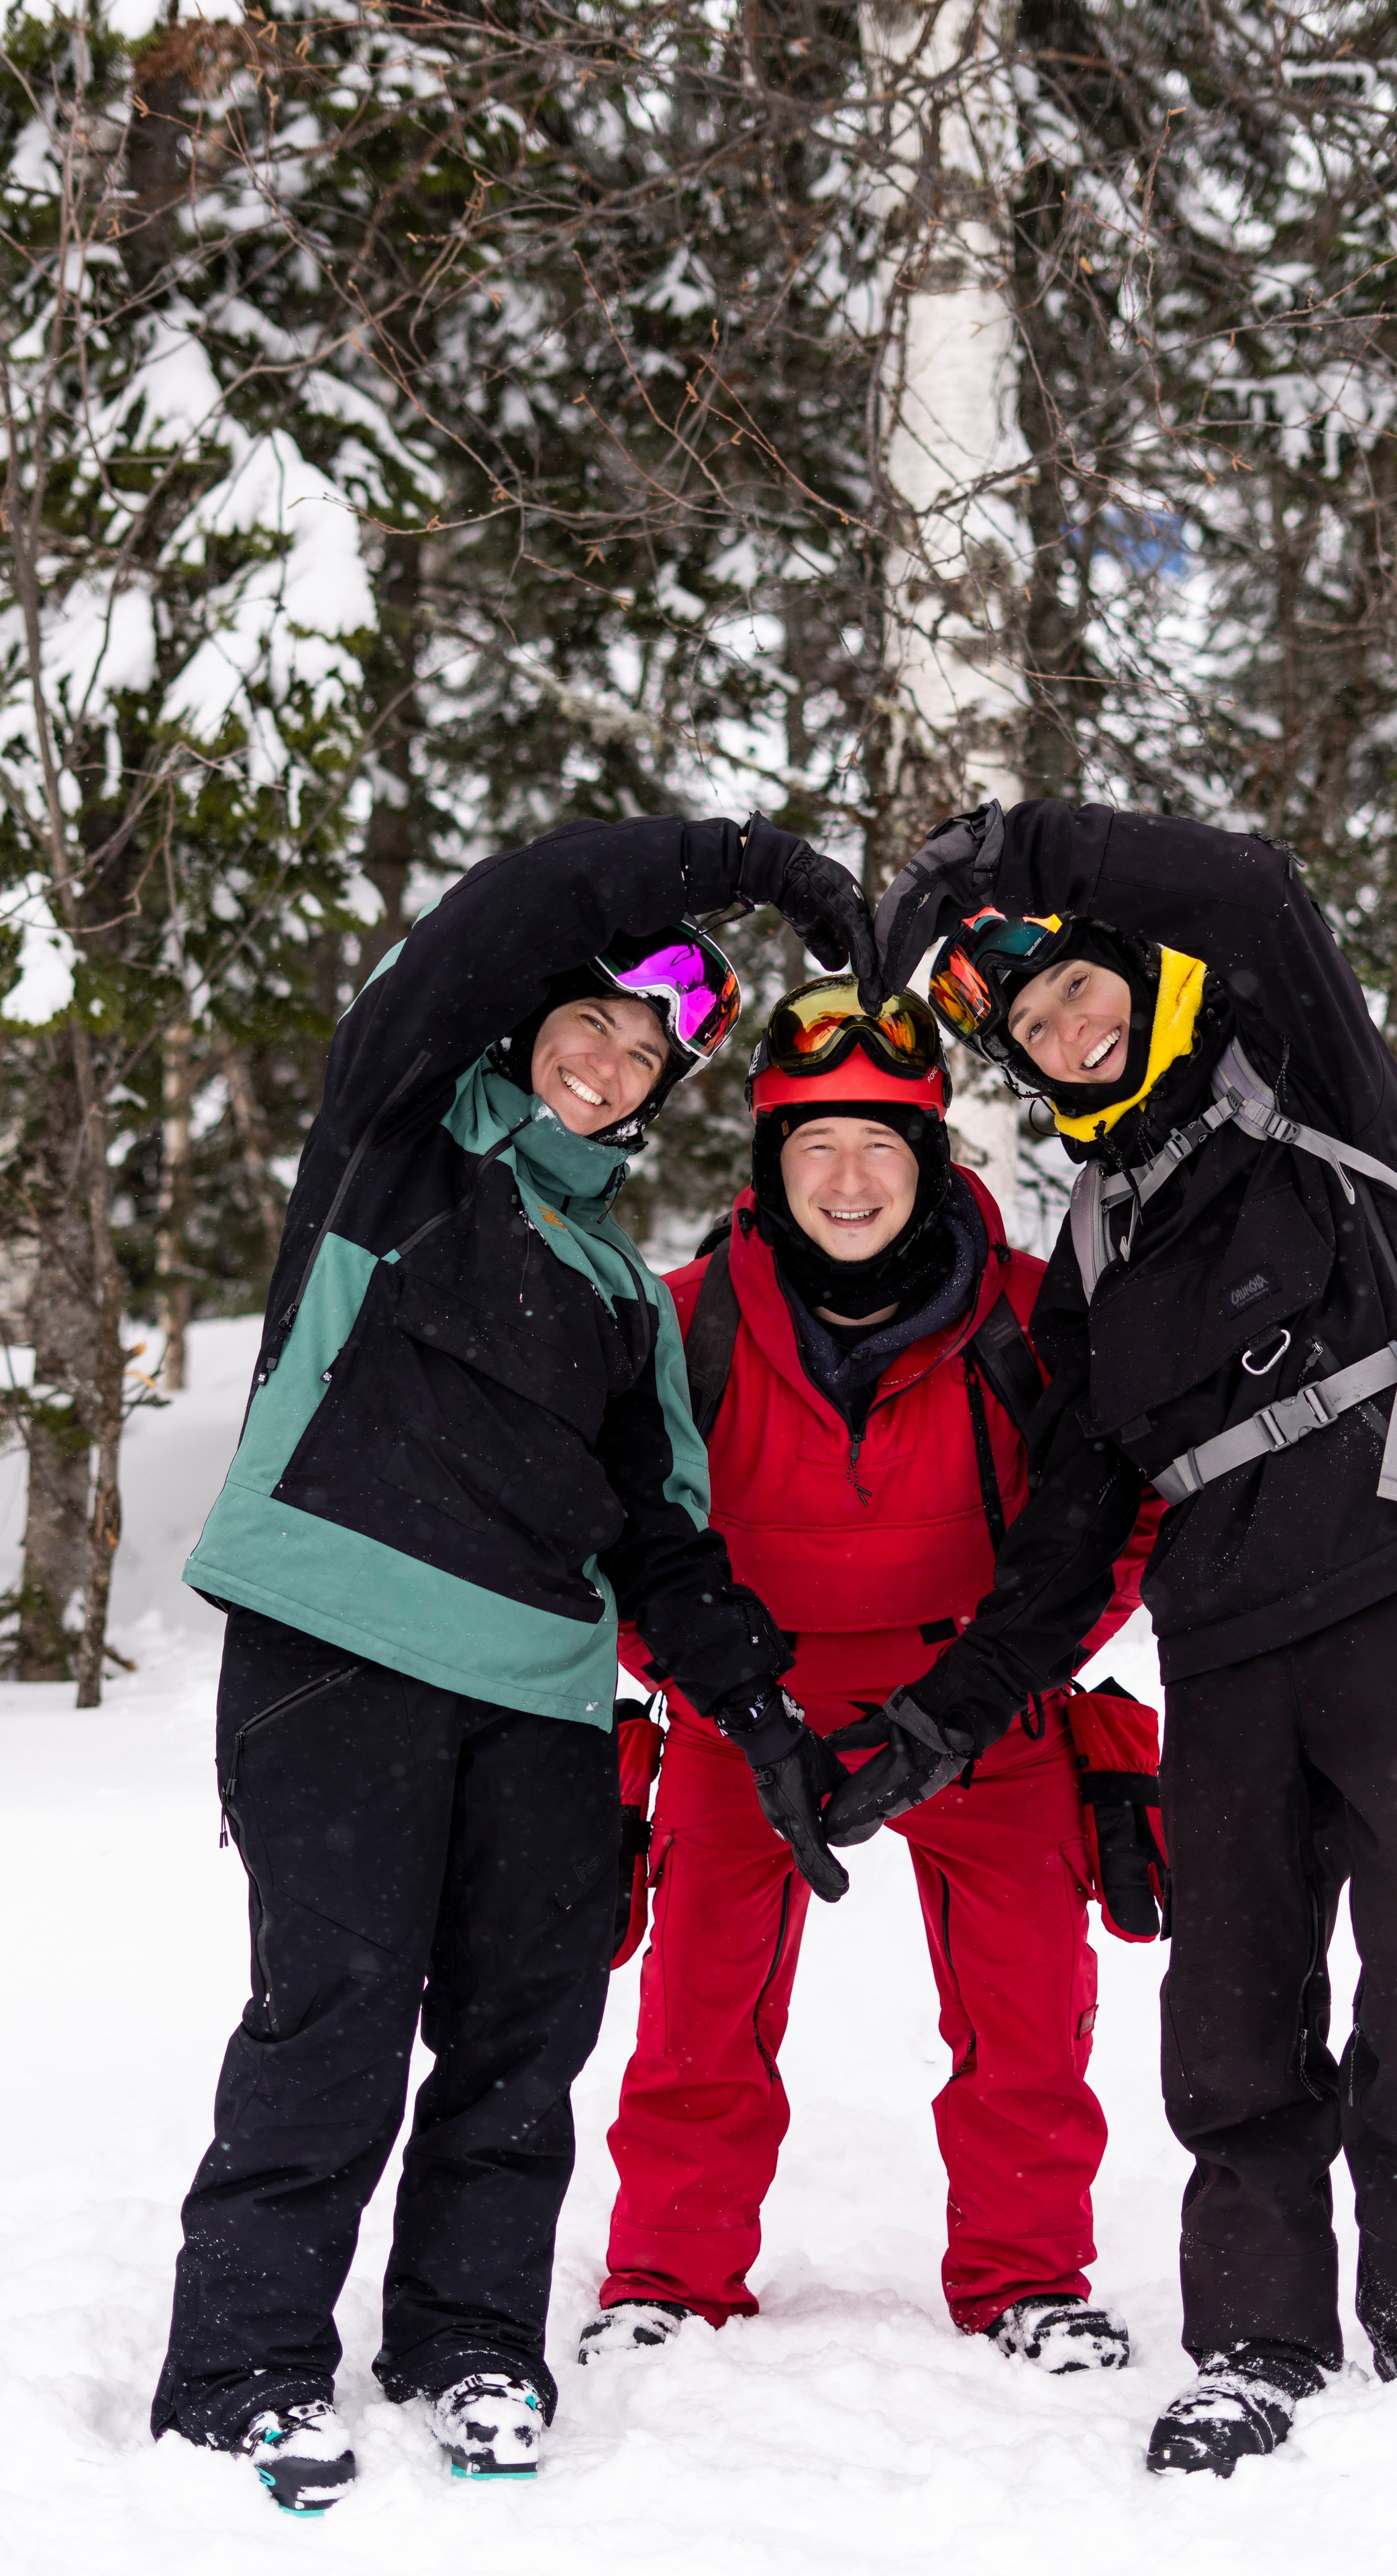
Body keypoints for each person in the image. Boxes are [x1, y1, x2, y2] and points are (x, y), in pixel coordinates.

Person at [152, 813, 882, 2512]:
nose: (611, 1066)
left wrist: (761, 1715)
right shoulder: (394, 1145)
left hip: (546, 1703)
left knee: (518, 2039)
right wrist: (735, 866)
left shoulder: (627, 1292)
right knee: (330, 2023)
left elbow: (661, 1537)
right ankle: (244, 2368)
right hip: (337, 1655)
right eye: (591, 1027)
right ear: (525, 1024)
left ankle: (469, 2338)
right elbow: (503, 910)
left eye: (643, 1058)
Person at [843, 799, 1397, 2478]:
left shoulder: (1301, 1070)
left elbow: (1243, 877)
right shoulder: (1098, 1237)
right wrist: (940, 1719)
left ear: (1139, 979)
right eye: (1031, 1031)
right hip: (1230, 1634)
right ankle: (1253, 2342)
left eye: (1076, 993)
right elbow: (1066, 1534)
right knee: (1230, 2007)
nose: (1065, 1031)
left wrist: (998, 857)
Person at [576, 976, 1160, 2368]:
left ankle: (1029, 2279)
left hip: (978, 1705)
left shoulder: (1033, 1317)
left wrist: (973, 1701)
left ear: (933, 1155)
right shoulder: (678, 1319)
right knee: (697, 2015)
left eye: (880, 1143)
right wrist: (719, 1692)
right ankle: (666, 2279)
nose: (848, 1178)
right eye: (813, 1146)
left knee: (1026, 2010)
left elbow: (1111, 1523)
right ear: (767, 1167)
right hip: (744, 1709)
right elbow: (615, 1527)